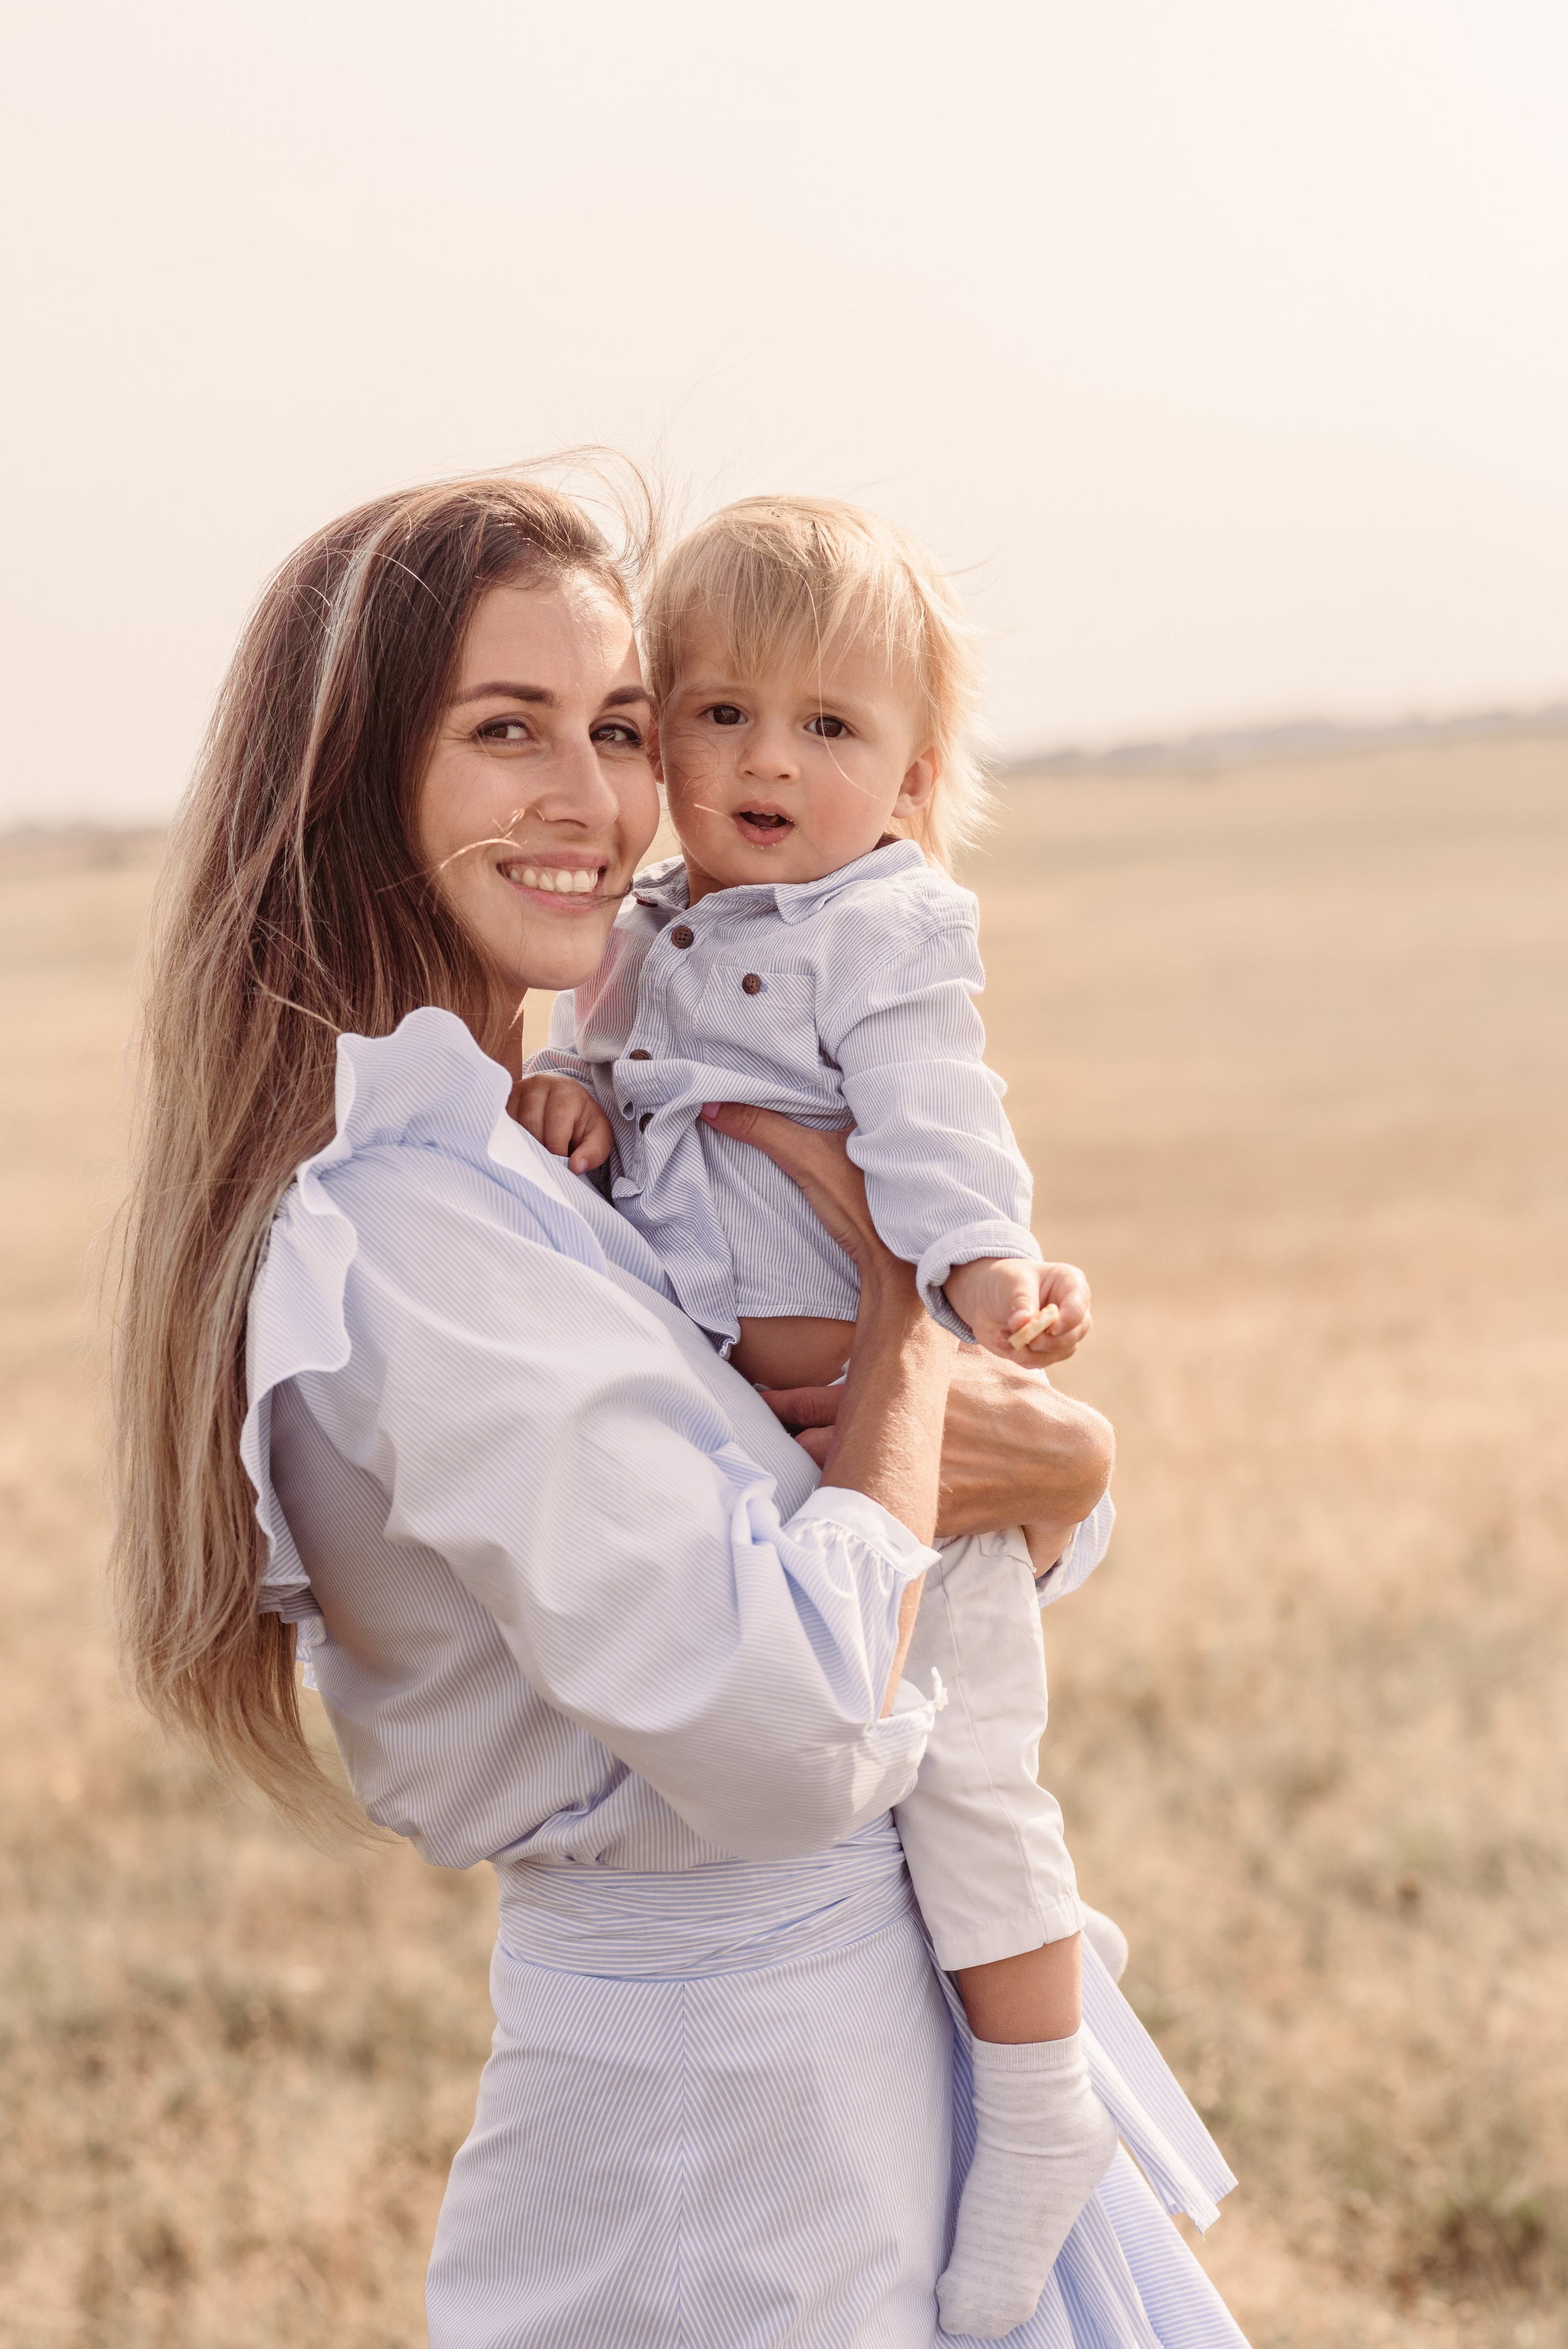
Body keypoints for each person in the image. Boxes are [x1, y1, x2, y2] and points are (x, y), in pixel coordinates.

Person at [111, 469, 1248, 2347]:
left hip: (865, 2053)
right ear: (352, 785)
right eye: (505, 732)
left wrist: (1066, 1465)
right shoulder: (400, 1240)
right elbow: (802, 1715)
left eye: (620, 726)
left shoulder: (553, 1154)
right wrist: (900, 1319)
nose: (597, 796)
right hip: (718, 2136)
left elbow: (909, 1531)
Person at [511, 494, 1188, 2336]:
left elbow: (937, 1129)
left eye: (828, 727)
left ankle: (1043, 2104)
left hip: (917, 1460)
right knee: (916, 1777)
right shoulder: (642, 934)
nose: (764, 762)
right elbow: (604, 1075)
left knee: (975, 1783)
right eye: (718, 714)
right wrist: (568, 1103)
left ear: (909, 774)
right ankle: (1026, 2025)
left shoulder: (885, 927)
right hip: (796, 1481)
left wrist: (988, 1291)